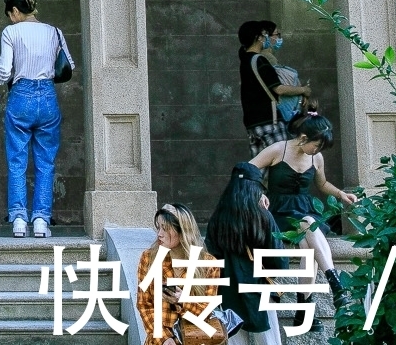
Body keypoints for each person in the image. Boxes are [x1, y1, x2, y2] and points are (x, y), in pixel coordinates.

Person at [0, 0, 71, 239]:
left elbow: (4, 70)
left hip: (20, 96)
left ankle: (19, 219)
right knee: (45, 162)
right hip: (47, 97)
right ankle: (42, 221)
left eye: (10, 15)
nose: (11, 19)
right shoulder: (54, 31)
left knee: (17, 161)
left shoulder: (11, 32)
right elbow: (67, 67)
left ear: (15, 11)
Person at [249, 113, 354, 294]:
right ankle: (334, 282)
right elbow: (247, 169)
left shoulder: (317, 158)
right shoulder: (278, 149)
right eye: (317, 145)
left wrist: (341, 194)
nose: (317, 150)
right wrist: (258, 192)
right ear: (304, 138)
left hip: (305, 209)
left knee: (307, 244)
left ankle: (304, 307)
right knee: (308, 224)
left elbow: (322, 183)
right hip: (278, 212)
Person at [133, 202, 229, 345]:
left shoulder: (208, 264)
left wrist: (182, 299)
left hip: (195, 339)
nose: (159, 234)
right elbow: (144, 304)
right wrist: (164, 338)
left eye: (165, 229)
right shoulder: (148, 258)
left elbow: (206, 310)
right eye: (158, 228)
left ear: (182, 231)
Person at [207, 163, 281, 345]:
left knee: (234, 338)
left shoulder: (218, 218)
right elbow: (278, 260)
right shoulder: (262, 216)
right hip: (258, 288)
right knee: (268, 340)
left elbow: (212, 254)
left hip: (228, 290)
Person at [237, 21, 309, 155]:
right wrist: (303, 90)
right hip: (269, 121)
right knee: (280, 162)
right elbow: (278, 89)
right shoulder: (260, 60)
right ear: (258, 37)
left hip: (253, 123)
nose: (265, 37)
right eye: (263, 34)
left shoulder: (246, 60)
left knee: (260, 168)